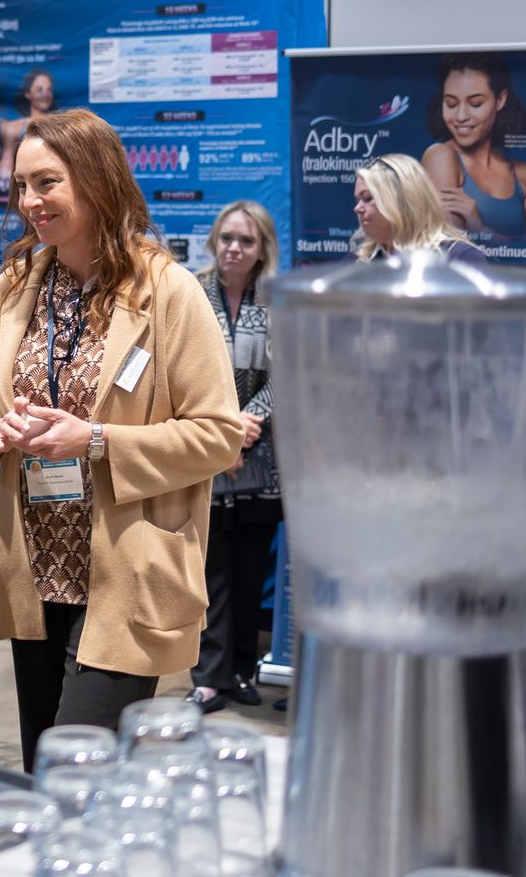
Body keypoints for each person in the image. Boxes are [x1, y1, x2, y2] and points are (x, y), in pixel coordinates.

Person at [0, 109, 244, 767]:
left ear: (97, 179)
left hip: (126, 577)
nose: (30, 202)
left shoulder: (168, 294)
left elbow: (221, 436)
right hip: (35, 570)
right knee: (40, 766)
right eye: (21, 186)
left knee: (73, 773)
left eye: (46, 183)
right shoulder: (11, 292)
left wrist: (99, 439)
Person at [186, 201, 281, 713]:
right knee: (208, 572)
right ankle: (207, 677)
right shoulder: (193, 292)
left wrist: (250, 425)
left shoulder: (278, 299)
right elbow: (184, 369)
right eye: (226, 238)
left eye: (245, 240)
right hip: (206, 452)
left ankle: (243, 671)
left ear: (262, 247)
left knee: (249, 573)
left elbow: (289, 373)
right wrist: (224, 431)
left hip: (261, 458)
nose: (233, 248)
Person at [421, 53, 526, 243]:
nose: (461, 116)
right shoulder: (440, 157)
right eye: (451, 104)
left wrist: (477, 226)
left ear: (500, 100)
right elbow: (451, 249)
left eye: (475, 103)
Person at [353, 153, 488, 267]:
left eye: (368, 198)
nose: (357, 208)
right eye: (357, 200)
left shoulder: (460, 257)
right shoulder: (359, 259)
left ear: (403, 200)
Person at [6, 67, 57, 138]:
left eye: (49, 90)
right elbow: (8, 149)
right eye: (39, 90)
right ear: (27, 94)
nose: (45, 94)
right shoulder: (14, 128)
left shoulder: (59, 126)